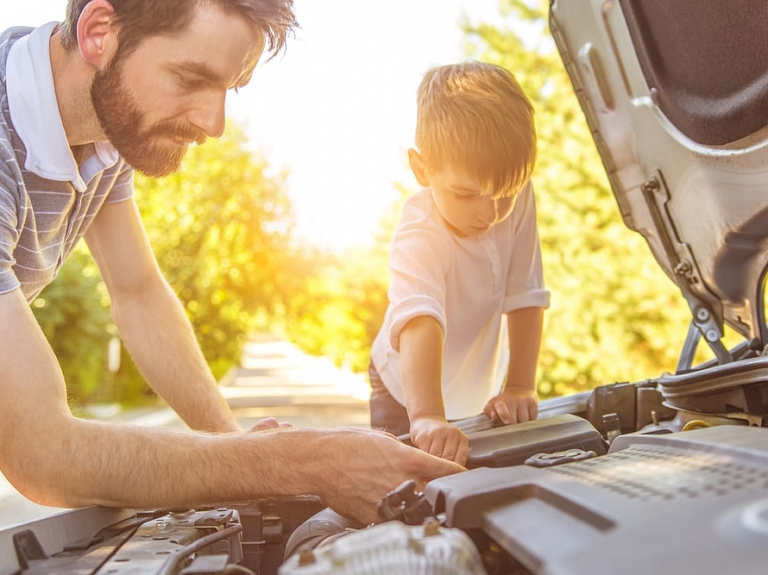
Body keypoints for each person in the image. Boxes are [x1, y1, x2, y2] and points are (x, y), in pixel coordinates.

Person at [0, 0, 463, 526]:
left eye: (228, 88)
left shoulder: (104, 127)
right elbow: (42, 454)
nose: (214, 124)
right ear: (99, 32)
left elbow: (138, 292)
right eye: (189, 77)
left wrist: (231, 444)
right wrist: (304, 461)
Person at [369, 61, 551, 467]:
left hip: (473, 387)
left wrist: (521, 385)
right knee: (399, 481)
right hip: (404, 392)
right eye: (466, 194)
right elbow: (420, 320)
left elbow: (526, 291)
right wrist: (428, 417)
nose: (490, 211)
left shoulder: (517, 198)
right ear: (423, 169)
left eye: (505, 192)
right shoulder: (420, 233)